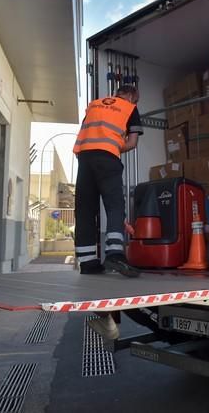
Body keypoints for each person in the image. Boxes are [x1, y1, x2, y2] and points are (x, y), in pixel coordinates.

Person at [73, 84, 143, 278]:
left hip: (85, 159)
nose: (135, 103)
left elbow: (86, 131)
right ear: (130, 96)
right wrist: (113, 147)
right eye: (135, 100)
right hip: (107, 158)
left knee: (85, 209)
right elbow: (132, 142)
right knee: (114, 206)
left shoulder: (94, 105)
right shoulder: (129, 108)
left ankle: (87, 262)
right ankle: (114, 254)